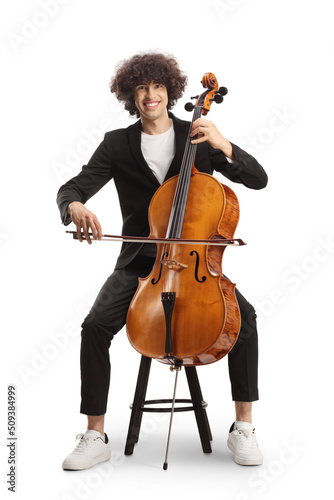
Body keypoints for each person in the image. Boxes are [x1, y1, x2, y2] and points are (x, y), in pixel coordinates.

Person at [57, 52, 268, 471]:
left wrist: (224, 144)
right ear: (129, 95)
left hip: (195, 265)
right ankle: (95, 434)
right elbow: (72, 186)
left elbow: (258, 179)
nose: (150, 95)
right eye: (140, 87)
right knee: (94, 327)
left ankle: (243, 427)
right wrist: (75, 206)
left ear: (170, 92)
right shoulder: (116, 144)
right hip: (141, 264)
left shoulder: (198, 136)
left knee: (244, 322)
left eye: (157, 86)